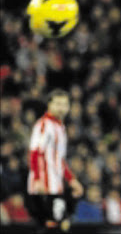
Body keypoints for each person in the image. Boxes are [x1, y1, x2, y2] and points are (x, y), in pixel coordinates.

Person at [26, 88, 84, 233]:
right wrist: (38, 179)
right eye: (57, 104)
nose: (61, 108)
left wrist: (71, 180)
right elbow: (35, 152)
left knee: (57, 226)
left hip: (55, 185)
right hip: (44, 186)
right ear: (49, 105)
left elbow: (59, 159)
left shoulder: (60, 127)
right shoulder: (44, 124)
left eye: (65, 104)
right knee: (53, 226)